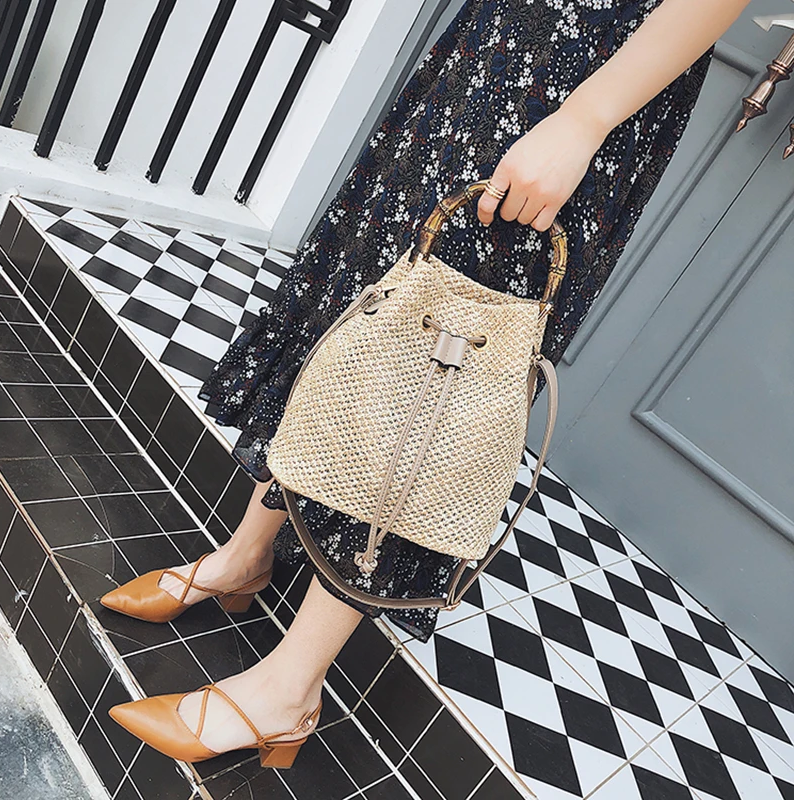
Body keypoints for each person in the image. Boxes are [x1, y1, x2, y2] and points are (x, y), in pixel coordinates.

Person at [102, 0, 750, 768]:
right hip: (494, 46)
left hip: (582, 75)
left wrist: (583, 120)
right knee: (361, 310)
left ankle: (289, 690)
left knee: (440, 372)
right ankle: (246, 555)